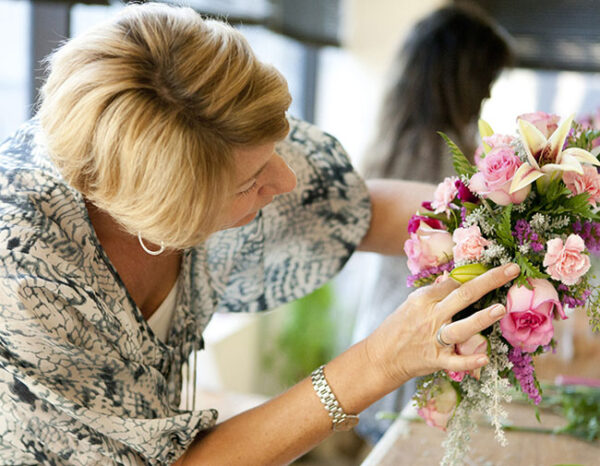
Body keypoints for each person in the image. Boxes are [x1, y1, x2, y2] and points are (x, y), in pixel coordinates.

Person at [0, 3, 519, 464]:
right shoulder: (25, 284)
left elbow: (361, 208)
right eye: (251, 183)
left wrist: (511, 232)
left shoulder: (215, 125)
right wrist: (380, 361)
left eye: (277, 149)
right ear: (163, 214)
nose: (286, 180)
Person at [352, 4, 514, 443]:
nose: (487, 95)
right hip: (411, 349)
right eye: (485, 83)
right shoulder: (435, 157)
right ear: (462, 78)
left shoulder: (399, 142)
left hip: (386, 338)